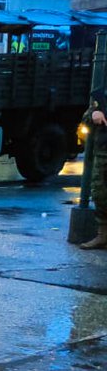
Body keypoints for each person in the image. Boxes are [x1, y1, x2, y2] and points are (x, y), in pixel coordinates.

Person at [77, 86, 107, 249]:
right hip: (103, 152)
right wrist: (94, 114)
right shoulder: (103, 95)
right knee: (99, 192)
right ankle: (103, 235)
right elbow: (87, 116)